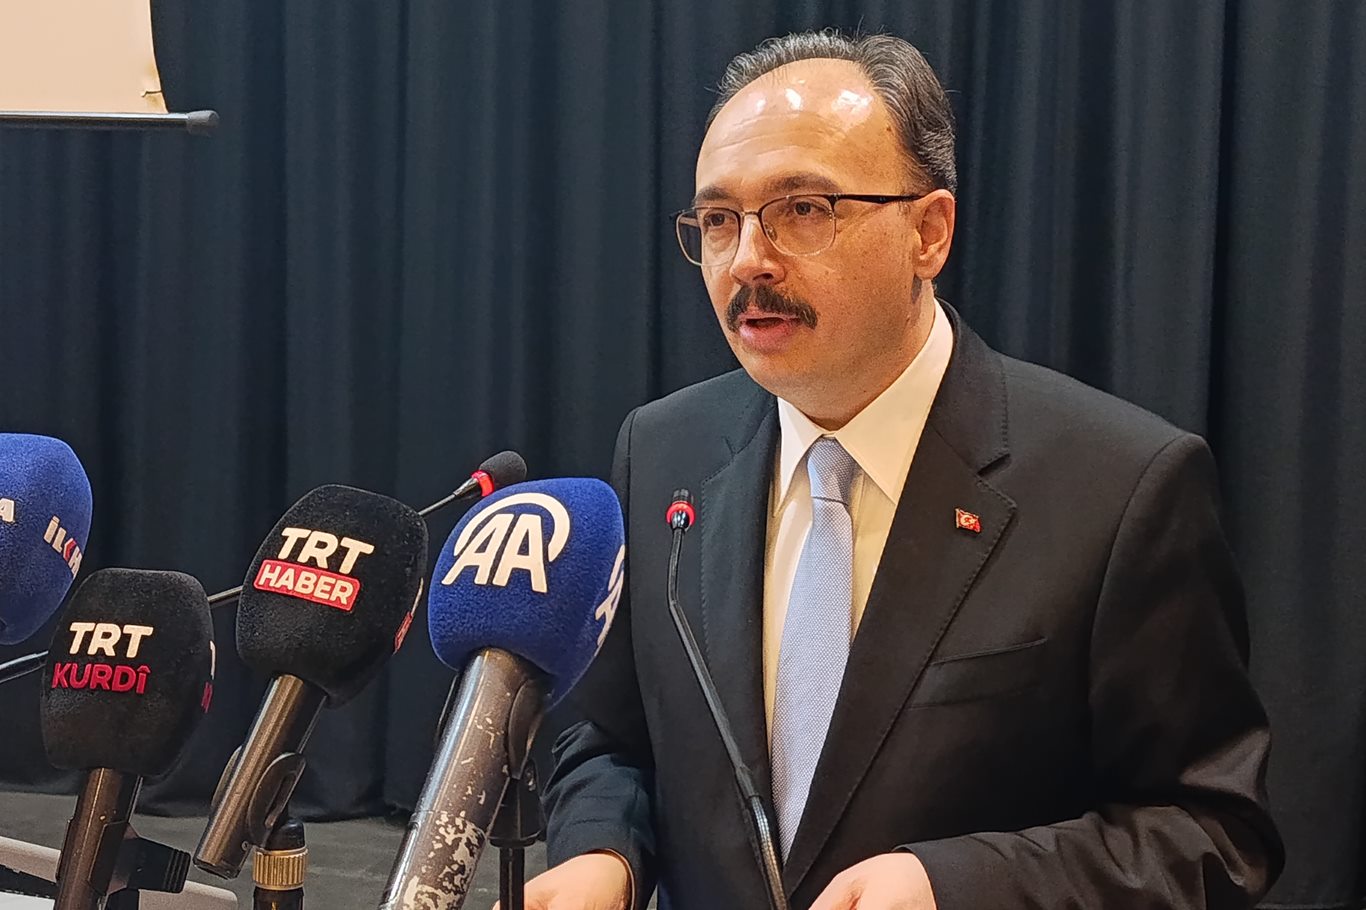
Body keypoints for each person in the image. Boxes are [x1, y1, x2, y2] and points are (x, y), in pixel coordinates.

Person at [515, 30, 1283, 910]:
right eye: (720, 220)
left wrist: (953, 888)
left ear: (929, 232)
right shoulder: (662, 450)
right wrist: (604, 855)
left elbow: (1212, 834)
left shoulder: (1121, 485)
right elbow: (613, 740)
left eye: (802, 208)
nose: (748, 258)